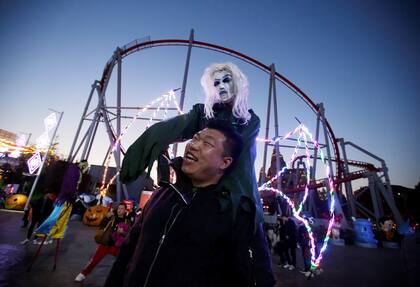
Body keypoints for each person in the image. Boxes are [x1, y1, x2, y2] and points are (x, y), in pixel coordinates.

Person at [104, 120, 276, 287]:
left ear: (225, 162)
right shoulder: (162, 194)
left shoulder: (236, 214)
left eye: (207, 144)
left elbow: (257, 279)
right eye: (195, 138)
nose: (193, 145)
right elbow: (127, 251)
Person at [120, 62, 263, 226]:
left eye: (226, 80)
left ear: (237, 83)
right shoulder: (203, 113)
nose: (221, 86)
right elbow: (177, 126)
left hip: (234, 197)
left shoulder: (250, 121)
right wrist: (151, 140)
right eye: (216, 83)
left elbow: (238, 161)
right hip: (198, 189)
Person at [74, 202, 131, 282]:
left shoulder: (127, 221)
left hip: (117, 246)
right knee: (94, 260)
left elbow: (129, 234)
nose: (119, 210)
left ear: (125, 210)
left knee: (123, 263)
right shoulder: (111, 216)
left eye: (122, 209)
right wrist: (106, 218)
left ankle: (124, 280)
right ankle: (83, 274)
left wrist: (123, 233)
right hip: (106, 243)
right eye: (119, 208)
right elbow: (101, 225)